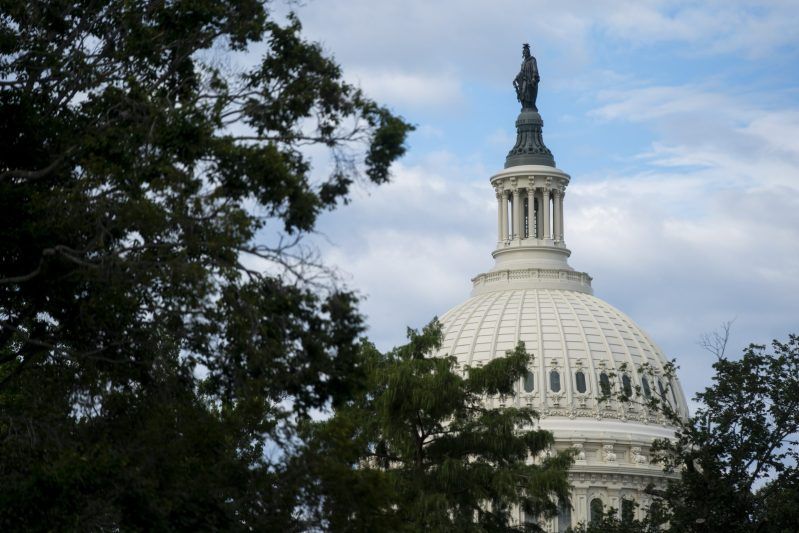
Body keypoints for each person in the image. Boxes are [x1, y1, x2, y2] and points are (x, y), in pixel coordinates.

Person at [513, 43, 540, 110]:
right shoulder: (523, 63)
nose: (525, 54)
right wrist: (516, 78)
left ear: (528, 52)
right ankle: (525, 107)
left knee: (529, 95)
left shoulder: (532, 60)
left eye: (526, 52)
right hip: (524, 81)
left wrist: (534, 78)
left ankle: (531, 106)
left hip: (531, 82)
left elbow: (535, 69)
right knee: (522, 94)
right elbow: (521, 72)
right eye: (524, 53)